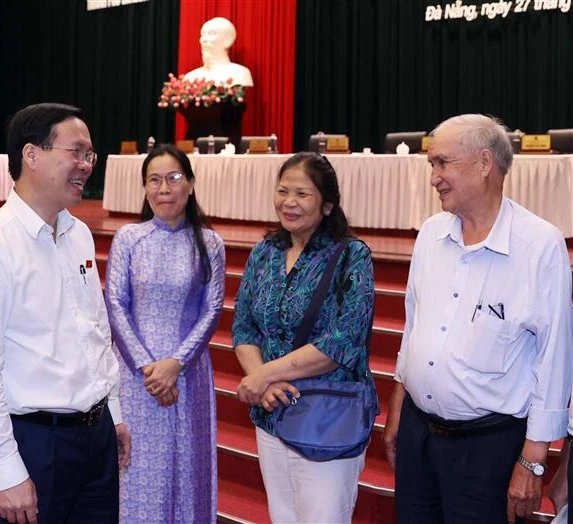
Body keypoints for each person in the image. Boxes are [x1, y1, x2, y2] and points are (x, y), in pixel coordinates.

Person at [382, 114, 573, 524]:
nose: (433, 177)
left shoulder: (539, 247)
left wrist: (534, 460)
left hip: (487, 450)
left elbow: (555, 358)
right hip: (418, 434)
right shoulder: (430, 234)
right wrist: (398, 411)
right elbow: (414, 328)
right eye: (431, 164)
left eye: (442, 163)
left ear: (485, 163)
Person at [0, 102, 131, 524]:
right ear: (31, 155)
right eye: (76, 152)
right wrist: (6, 470)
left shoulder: (79, 234)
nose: (86, 165)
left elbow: (96, 333)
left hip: (96, 436)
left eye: (90, 155)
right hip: (33, 444)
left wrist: (115, 414)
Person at [232, 152, 375, 523]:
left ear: (327, 205)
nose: (289, 202)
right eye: (282, 191)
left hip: (327, 419)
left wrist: (265, 375)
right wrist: (262, 383)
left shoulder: (351, 256)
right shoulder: (265, 252)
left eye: (302, 194)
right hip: (271, 413)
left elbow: (342, 342)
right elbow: (244, 326)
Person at [105, 143, 225, 523]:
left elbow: (212, 309)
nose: (164, 189)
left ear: (190, 184)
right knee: (140, 470)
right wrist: (148, 368)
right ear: (144, 188)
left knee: (187, 468)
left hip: (188, 375)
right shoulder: (128, 238)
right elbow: (115, 306)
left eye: (173, 178)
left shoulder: (209, 243)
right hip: (137, 378)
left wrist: (176, 363)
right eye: (154, 180)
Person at [183, 16, 253, 87]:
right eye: (202, 34)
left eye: (212, 33)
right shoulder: (190, 77)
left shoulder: (240, 74)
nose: (204, 39)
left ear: (228, 40)